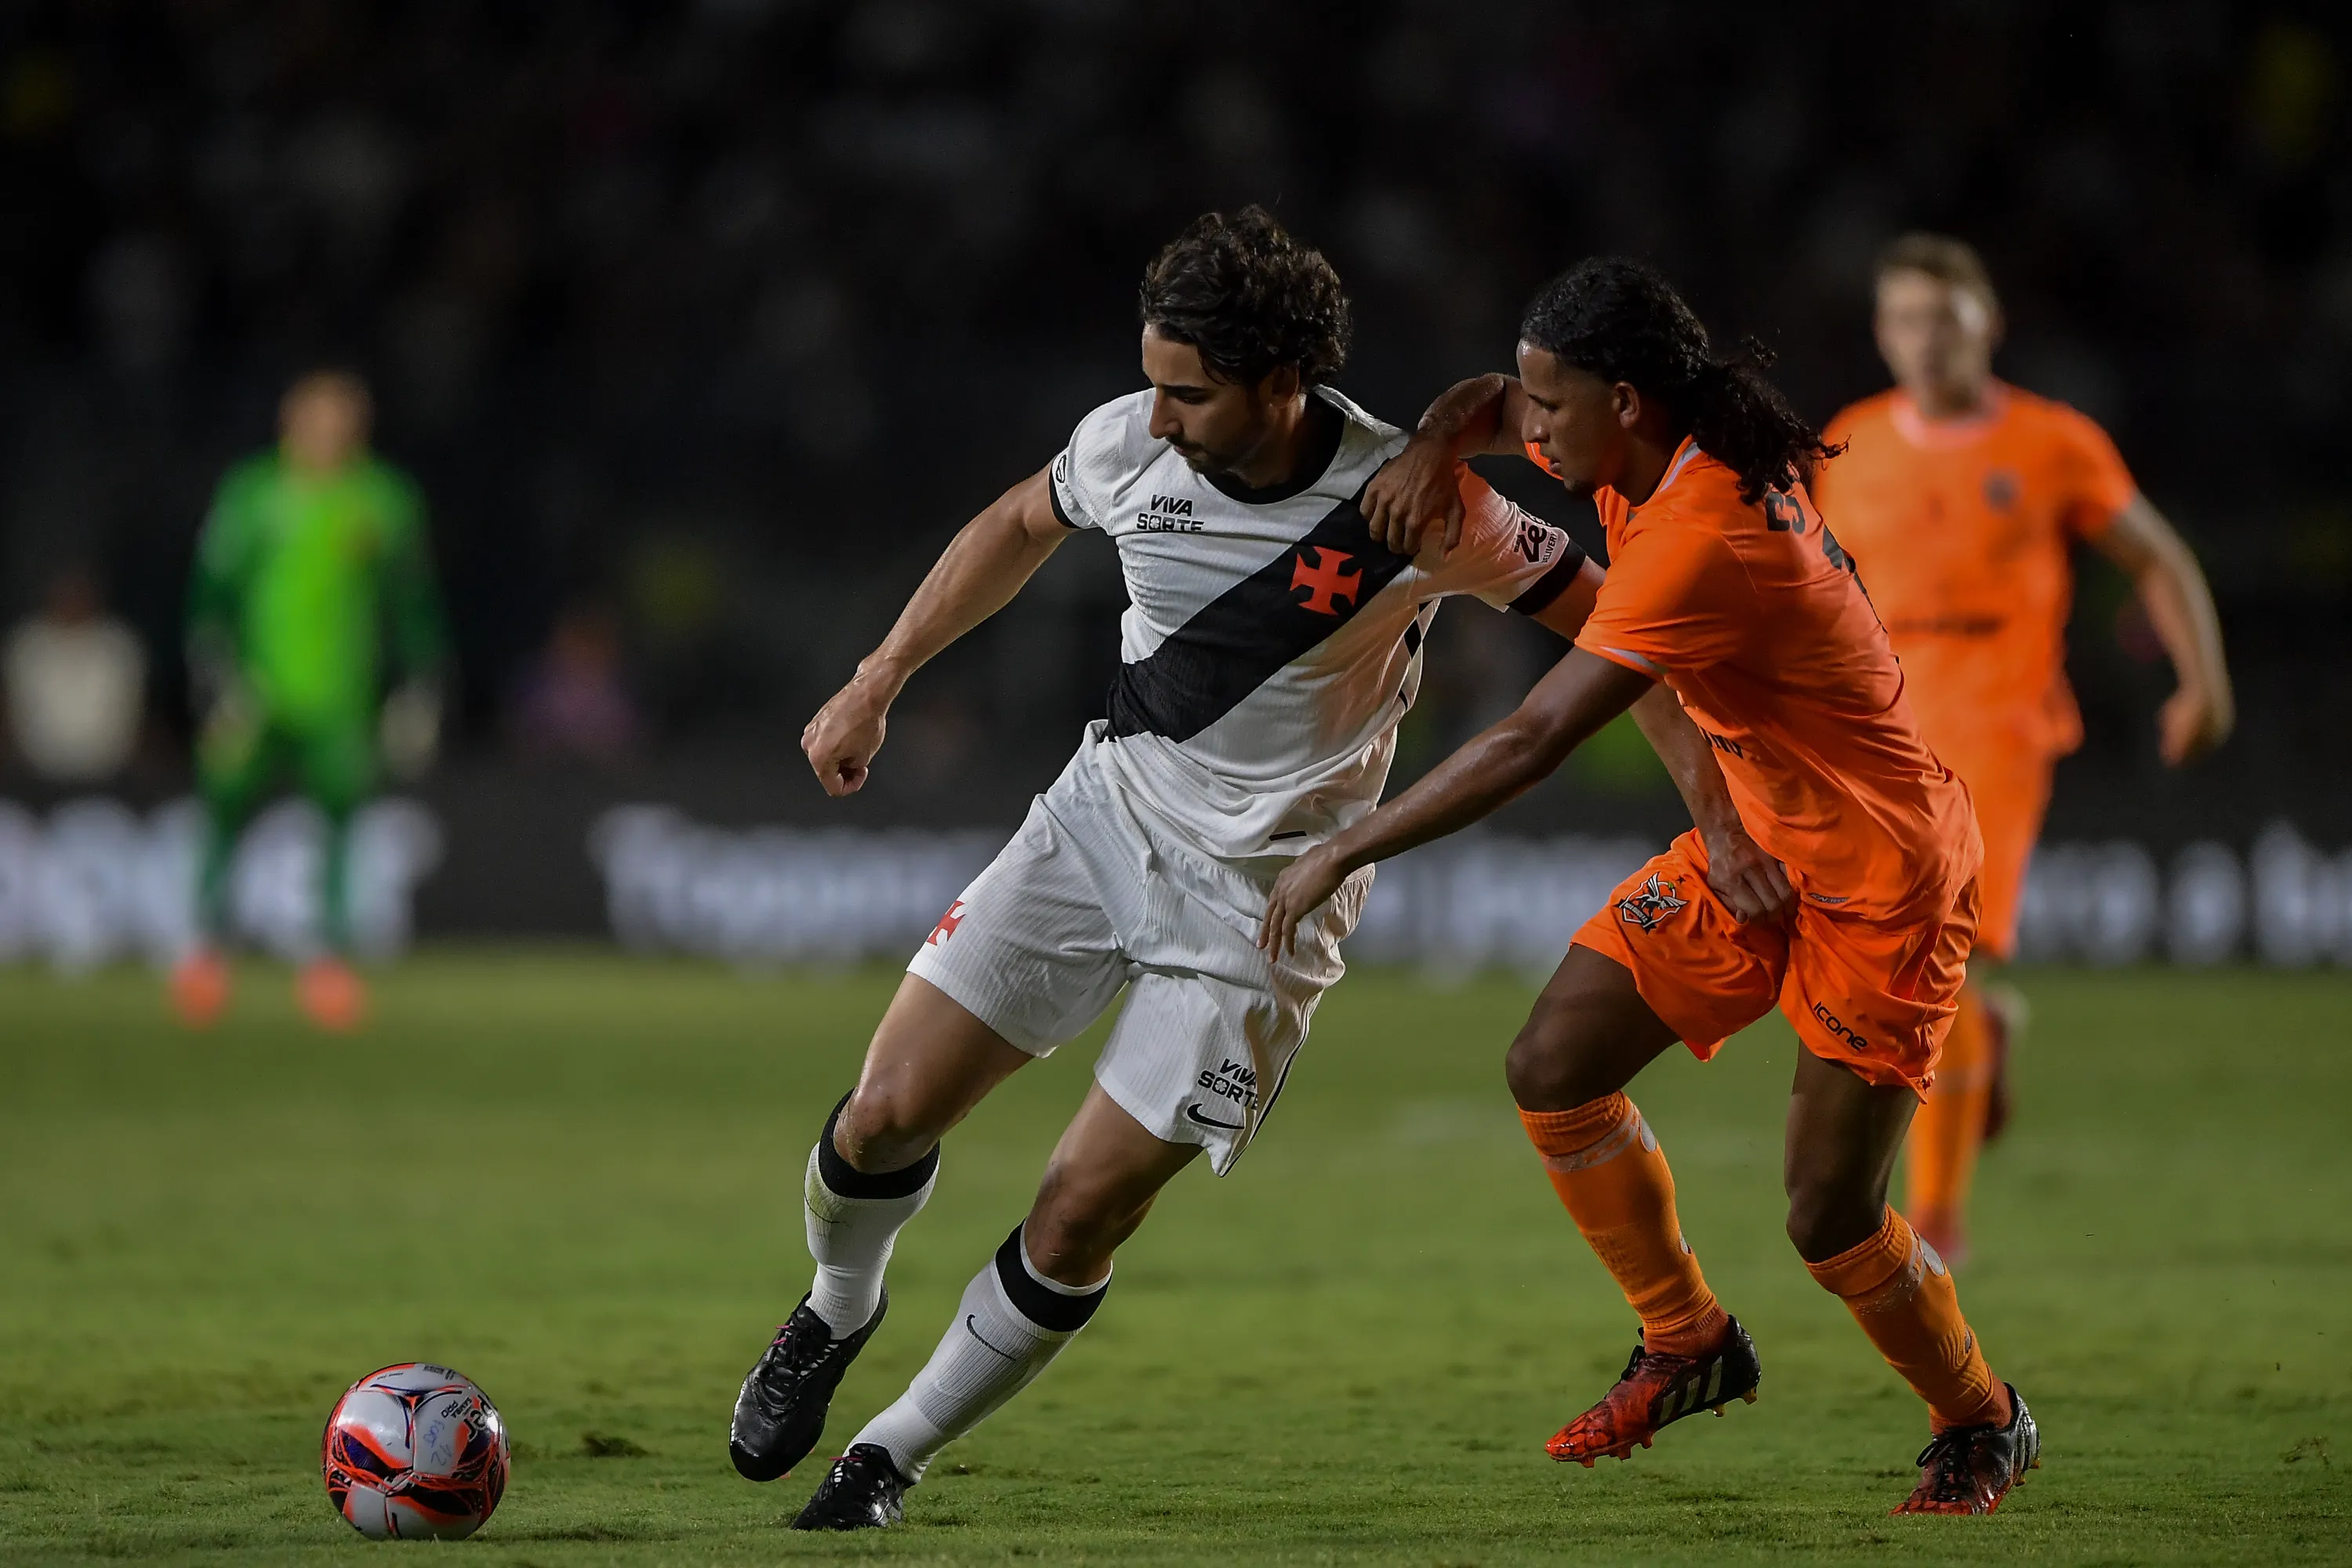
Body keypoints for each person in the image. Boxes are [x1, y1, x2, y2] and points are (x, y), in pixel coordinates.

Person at [732, 208, 1657, 1531]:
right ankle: (835, 1308)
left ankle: (885, 1457)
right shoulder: (1123, 442)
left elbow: (1626, 629)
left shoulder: (1416, 503)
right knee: (882, 1112)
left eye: (1189, 394)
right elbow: (1014, 521)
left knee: (1079, 1209)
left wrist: (1725, 800)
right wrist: (879, 679)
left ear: (1283, 385)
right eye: (1153, 384)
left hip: (1267, 904)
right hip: (1104, 821)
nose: (1155, 419)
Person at [1261, 257, 2038, 1515]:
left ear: (1626, 403)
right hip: (1762, 838)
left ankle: (1982, 1419)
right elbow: (1485, 407)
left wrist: (1344, 846)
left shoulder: (1699, 532)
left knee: (1829, 1217)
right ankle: (1687, 1341)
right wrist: (1425, 447)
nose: (1530, 427)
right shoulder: (1647, 444)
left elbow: (1532, 739)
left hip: (1885, 878)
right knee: (1552, 1063)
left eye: (1550, 407)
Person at [1814, 234, 2233, 1265]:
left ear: (1988, 326)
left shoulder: (2053, 443)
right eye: (1907, 321)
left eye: (1946, 321)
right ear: (1882, 333)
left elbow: (2157, 557)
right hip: (1880, 729)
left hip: (1999, 719)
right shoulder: (1850, 444)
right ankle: (1983, 1053)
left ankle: (1936, 1225)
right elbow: (1814, 598)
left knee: (1942, 958)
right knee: (1885, 972)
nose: (1926, 342)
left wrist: (2203, 681)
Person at [172, 369, 448, 1033]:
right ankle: (205, 954)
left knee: (341, 822)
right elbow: (210, 592)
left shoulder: (382, 499)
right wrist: (216, 676)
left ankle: (326, 963)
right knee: (225, 812)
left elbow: (411, 599)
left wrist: (420, 682)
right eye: (317, 419)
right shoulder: (252, 494)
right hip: (256, 695)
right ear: (290, 423)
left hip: (341, 700)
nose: (329, 433)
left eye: (342, 421)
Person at [3, 565, 147, 784]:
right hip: (32, 776)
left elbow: (131, 717)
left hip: (112, 776)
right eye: (65, 592)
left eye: (79, 592)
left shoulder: (119, 645)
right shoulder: (26, 644)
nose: (72, 600)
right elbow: (13, 716)